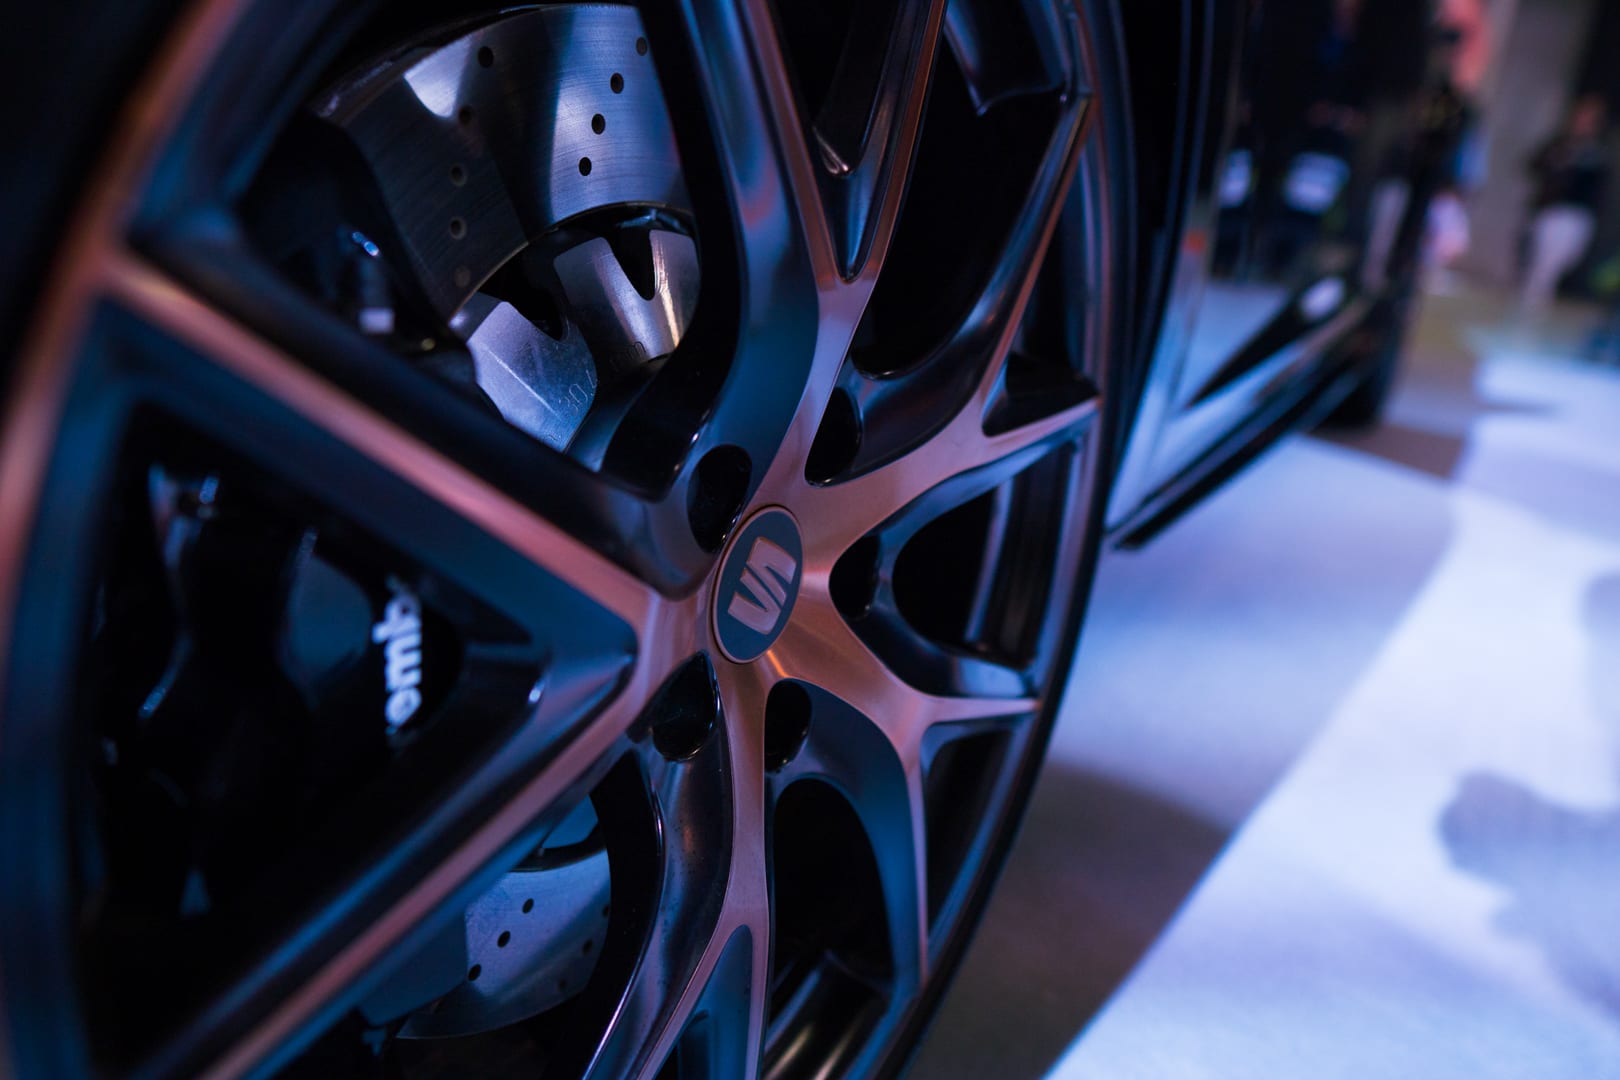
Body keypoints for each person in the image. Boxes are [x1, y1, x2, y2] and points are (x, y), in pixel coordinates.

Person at [1522, 95, 1611, 314]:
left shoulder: (1596, 153)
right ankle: (1528, 311)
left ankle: (1533, 310)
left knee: (1557, 267)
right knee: (1541, 270)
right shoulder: (1559, 144)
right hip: (1552, 211)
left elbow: (1597, 189)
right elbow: (1533, 165)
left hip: (1577, 216)